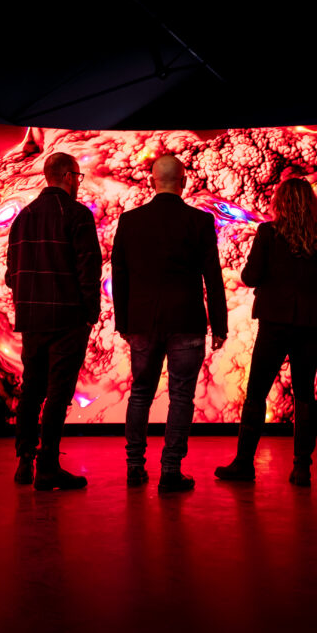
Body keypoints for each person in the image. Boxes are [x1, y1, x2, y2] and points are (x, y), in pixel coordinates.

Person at [111, 155, 228, 493]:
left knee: (140, 394)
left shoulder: (130, 221)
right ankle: (171, 471)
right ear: (184, 181)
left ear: (152, 181)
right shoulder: (199, 221)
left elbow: (120, 274)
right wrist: (218, 325)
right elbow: (213, 278)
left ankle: (135, 467)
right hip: (187, 320)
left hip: (143, 322)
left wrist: (124, 321)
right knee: (181, 397)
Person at [214, 177, 317, 486]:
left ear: (279, 203)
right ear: (311, 204)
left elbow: (252, 276)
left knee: (256, 393)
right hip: (311, 323)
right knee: (305, 395)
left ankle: (244, 464)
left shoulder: (268, 233)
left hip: (275, 321)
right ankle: (302, 468)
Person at [5, 152, 100, 490]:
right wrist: (90, 314)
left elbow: (10, 274)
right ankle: (47, 466)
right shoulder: (77, 215)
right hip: (67, 319)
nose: (78, 182)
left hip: (31, 318)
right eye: (77, 176)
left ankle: (24, 458)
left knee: (32, 389)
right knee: (58, 393)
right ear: (66, 176)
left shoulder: (22, 218)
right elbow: (89, 270)